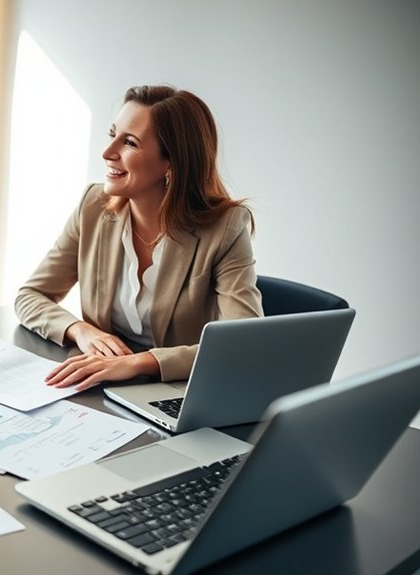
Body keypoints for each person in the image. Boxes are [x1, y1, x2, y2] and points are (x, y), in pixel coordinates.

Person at [15, 85, 261, 392]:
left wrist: (141, 362)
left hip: (182, 390)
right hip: (103, 385)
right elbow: (30, 296)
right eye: (112, 134)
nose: (108, 152)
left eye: (129, 142)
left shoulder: (225, 228)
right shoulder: (93, 207)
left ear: (172, 162)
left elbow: (243, 344)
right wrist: (80, 331)